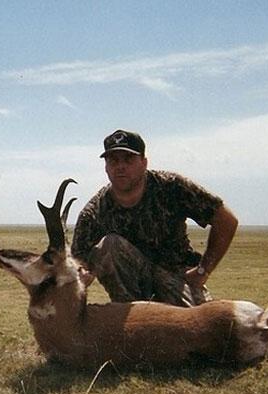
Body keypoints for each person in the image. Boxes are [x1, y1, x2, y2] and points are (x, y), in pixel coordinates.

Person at [71, 129, 239, 307]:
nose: (120, 166)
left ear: (144, 163)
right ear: (106, 167)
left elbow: (226, 219)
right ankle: (133, 325)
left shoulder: (172, 187)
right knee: (110, 246)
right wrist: (82, 274)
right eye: (113, 160)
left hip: (176, 278)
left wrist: (203, 269)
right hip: (130, 300)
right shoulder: (93, 212)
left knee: (202, 328)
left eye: (128, 159)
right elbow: (77, 263)